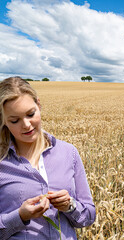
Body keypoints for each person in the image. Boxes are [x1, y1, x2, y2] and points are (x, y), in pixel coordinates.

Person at [0, 77, 95, 239]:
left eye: (31, 114)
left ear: (39, 105)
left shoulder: (68, 153)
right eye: (14, 120)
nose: (26, 125)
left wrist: (70, 206)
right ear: (4, 122)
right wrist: (20, 216)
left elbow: (88, 217)